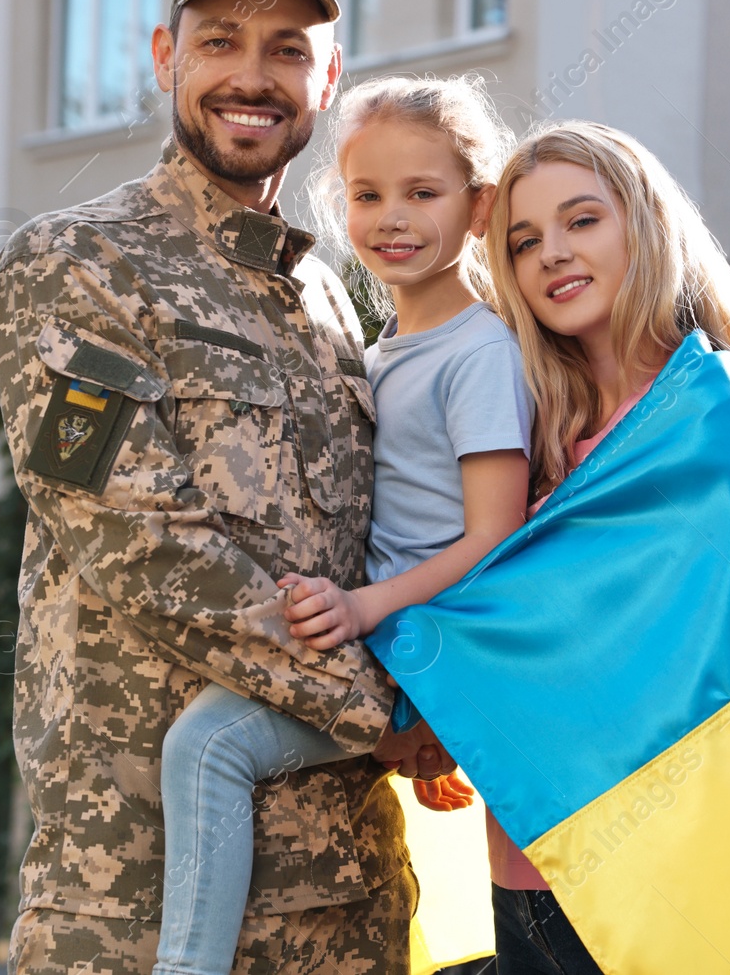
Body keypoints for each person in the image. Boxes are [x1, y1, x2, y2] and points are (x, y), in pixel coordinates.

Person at [0, 0, 450, 974]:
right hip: (138, 908)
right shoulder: (77, 264)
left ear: (326, 78)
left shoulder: (333, 300)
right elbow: (135, 538)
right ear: (164, 57)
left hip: (348, 906)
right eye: (221, 40)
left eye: (288, 48)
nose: (254, 74)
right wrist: (387, 716)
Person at [152, 73, 532, 975]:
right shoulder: (385, 348)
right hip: (390, 646)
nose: (391, 217)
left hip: (421, 651)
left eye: (422, 193)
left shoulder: (480, 353)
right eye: (367, 195)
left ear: (478, 208)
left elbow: (495, 538)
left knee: (208, 745)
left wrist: (363, 611)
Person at [474, 121, 730, 973]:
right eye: (524, 241)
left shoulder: (719, 418)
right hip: (529, 845)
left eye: (582, 220)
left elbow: (711, 642)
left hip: (679, 850)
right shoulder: (527, 420)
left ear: (647, 224)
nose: (552, 254)